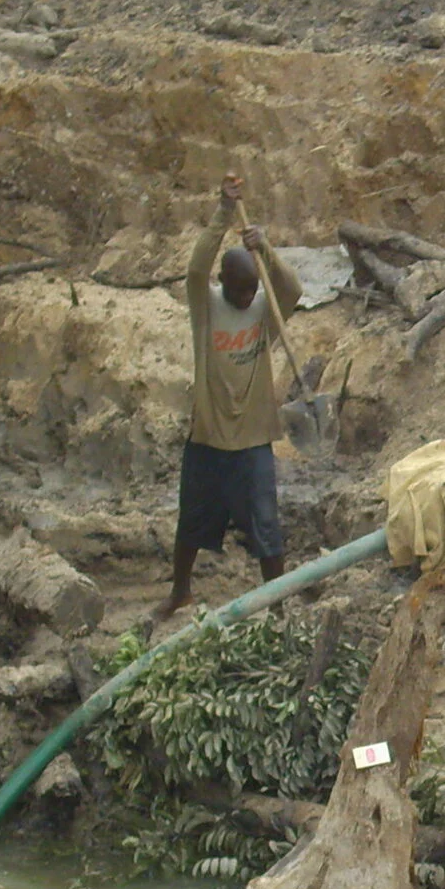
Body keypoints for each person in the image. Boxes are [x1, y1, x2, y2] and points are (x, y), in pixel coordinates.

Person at [162, 173, 303, 616]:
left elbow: (292, 290)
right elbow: (196, 266)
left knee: (266, 528)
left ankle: (277, 607)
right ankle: (180, 592)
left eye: (252, 288)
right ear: (223, 282)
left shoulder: (263, 311)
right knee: (192, 522)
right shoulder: (206, 308)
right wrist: (223, 213)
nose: (246, 297)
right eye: (239, 288)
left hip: (252, 440)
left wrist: (267, 252)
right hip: (207, 437)